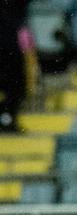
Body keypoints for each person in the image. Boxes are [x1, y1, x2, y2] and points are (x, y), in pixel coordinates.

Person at [0, 0, 28, 133]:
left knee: (14, 88)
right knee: (14, 87)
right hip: (10, 43)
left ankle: (8, 119)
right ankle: (7, 120)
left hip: (12, 44)